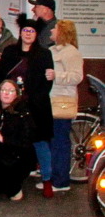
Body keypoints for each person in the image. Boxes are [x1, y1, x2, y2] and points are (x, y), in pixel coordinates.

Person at [0, 14, 54, 195]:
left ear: (36, 34)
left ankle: (47, 180)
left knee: (40, 143)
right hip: (11, 105)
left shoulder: (44, 54)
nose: (28, 34)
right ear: (20, 32)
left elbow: (47, 82)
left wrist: (31, 100)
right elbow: (0, 77)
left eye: (32, 30)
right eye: (25, 30)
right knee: (6, 141)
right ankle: (3, 176)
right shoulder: (10, 51)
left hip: (36, 107)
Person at [45, 19, 83, 195]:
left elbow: (77, 77)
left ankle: (61, 181)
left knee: (60, 143)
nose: (52, 30)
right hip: (51, 100)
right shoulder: (52, 50)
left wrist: (57, 75)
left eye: (55, 28)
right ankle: (52, 177)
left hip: (62, 102)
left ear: (62, 32)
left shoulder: (71, 52)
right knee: (52, 142)